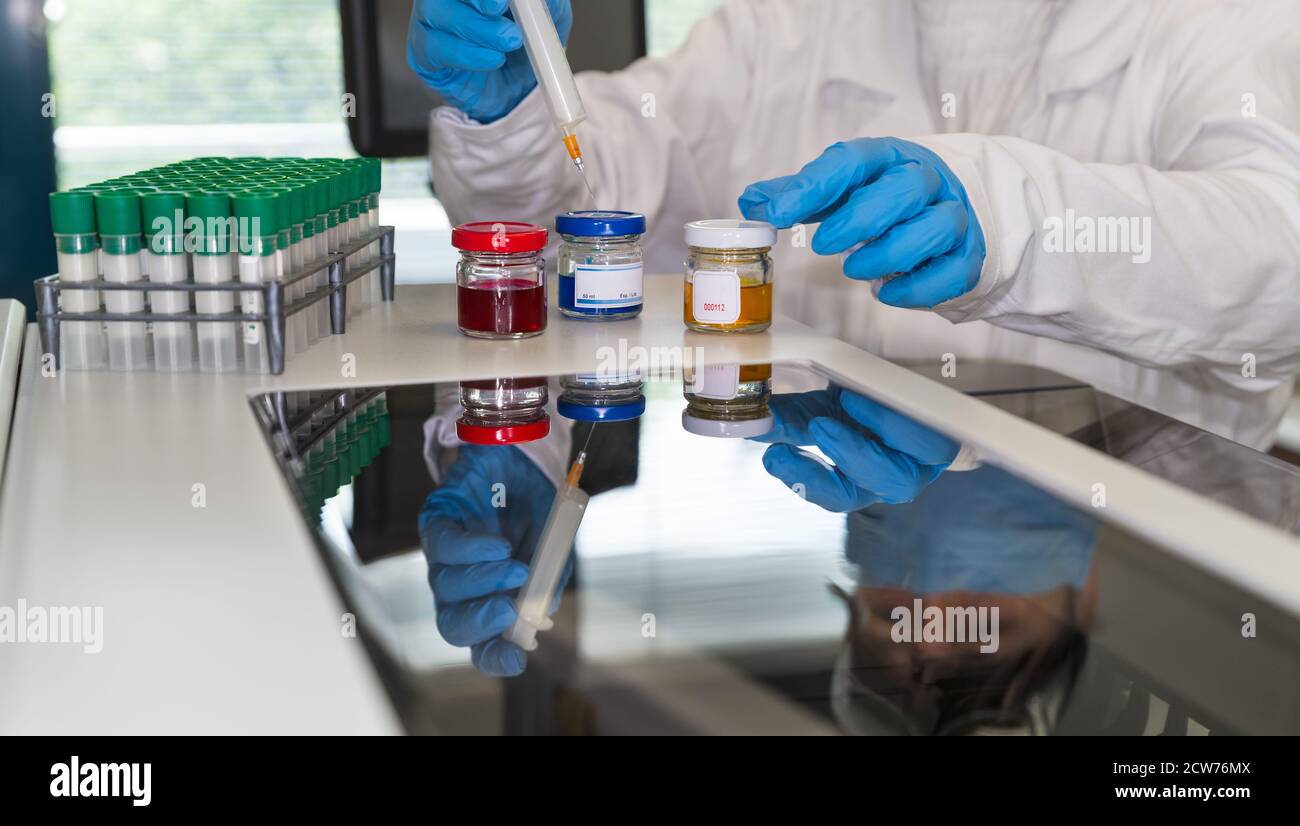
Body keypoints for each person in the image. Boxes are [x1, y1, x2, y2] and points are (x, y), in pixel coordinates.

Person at [408, 0, 1300, 450]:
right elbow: (595, 189)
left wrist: (1013, 218)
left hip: (1156, 545)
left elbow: (1277, 253)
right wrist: (513, 117)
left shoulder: (1225, 22)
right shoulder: (793, 22)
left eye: (895, 639)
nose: (924, 622)